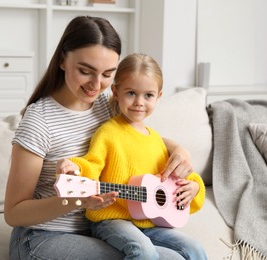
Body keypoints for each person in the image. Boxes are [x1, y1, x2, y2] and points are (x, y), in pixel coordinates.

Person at [4, 16, 195, 260]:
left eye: (107, 74)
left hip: (99, 229)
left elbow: (143, 138)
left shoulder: (107, 104)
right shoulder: (39, 120)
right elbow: (14, 213)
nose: (96, 85)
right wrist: (74, 201)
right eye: (86, 71)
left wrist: (181, 151)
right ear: (62, 60)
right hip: (42, 237)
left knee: (186, 252)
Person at [56, 53, 207, 259]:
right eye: (131, 93)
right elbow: (92, 164)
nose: (139, 102)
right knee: (143, 251)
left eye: (148, 95)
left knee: (194, 248)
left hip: (150, 223)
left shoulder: (155, 139)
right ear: (116, 92)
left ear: (158, 96)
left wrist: (195, 187)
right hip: (112, 220)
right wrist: (75, 169)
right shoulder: (108, 133)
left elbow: (175, 179)